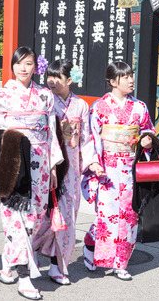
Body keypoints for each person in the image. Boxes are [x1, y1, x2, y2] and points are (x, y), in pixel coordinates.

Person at [0, 47, 63, 300]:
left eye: (28, 63)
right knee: (16, 218)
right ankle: (25, 277)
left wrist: (52, 167)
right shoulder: (1, 96)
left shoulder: (45, 96)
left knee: (34, 219)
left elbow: (51, 133)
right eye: (19, 63)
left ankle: (8, 265)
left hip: (39, 161)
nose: (23, 68)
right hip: (13, 160)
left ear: (35, 67)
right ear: (12, 66)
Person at [81, 61, 156, 280]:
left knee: (129, 215)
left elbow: (148, 129)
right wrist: (94, 162)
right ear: (113, 82)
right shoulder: (99, 107)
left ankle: (121, 263)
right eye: (125, 77)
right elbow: (90, 137)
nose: (131, 80)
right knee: (107, 216)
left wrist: (147, 140)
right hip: (107, 168)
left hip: (130, 166)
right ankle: (90, 245)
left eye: (131, 76)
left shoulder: (140, 107)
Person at [32, 59, 95, 285]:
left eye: (58, 77)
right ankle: (29, 253)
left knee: (67, 217)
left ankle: (59, 266)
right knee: (41, 215)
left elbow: (86, 140)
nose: (52, 80)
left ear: (70, 80)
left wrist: (92, 163)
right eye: (49, 75)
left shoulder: (80, 106)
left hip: (72, 171)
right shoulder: (44, 100)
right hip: (46, 166)